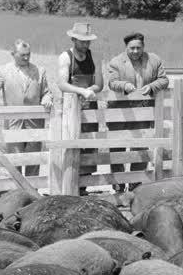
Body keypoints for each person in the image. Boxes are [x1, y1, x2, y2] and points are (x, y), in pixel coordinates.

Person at [0, 39, 52, 179]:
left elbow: (46, 91)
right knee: (15, 159)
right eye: (22, 55)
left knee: (34, 159)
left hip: (35, 123)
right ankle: (17, 193)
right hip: (14, 123)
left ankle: (33, 191)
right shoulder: (2, 70)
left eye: (28, 55)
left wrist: (47, 99)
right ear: (13, 54)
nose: (26, 58)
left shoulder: (39, 71)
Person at [107, 32, 168, 187]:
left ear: (143, 47)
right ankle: (118, 185)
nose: (135, 51)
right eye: (132, 48)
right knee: (117, 147)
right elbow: (112, 82)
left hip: (143, 110)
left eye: (138, 48)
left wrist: (152, 86)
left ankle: (136, 184)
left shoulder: (154, 60)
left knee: (140, 147)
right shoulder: (116, 62)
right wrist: (124, 85)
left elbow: (164, 80)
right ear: (126, 47)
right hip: (119, 111)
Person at [56, 22, 104, 195]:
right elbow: (62, 83)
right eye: (82, 41)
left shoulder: (94, 57)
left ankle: (84, 187)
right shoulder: (65, 57)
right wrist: (81, 92)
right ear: (73, 39)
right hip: (71, 108)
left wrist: (89, 91)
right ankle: (69, 186)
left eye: (88, 41)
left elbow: (99, 83)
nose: (86, 45)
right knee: (70, 144)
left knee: (89, 145)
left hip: (89, 106)